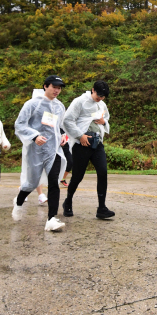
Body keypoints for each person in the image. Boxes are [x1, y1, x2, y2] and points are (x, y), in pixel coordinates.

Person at [13, 75, 68, 232]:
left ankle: (51, 219)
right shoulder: (32, 104)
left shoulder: (60, 106)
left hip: (54, 150)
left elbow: (60, 126)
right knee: (32, 182)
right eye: (54, 87)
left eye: (59, 88)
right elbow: (20, 125)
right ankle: (18, 202)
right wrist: (34, 136)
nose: (57, 90)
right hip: (36, 150)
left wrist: (63, 137)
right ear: (45, 86)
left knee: (53, 182)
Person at [62, 80, 115, 219]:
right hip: (82, 144)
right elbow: (67, 120)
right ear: (93, 90)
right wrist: (80, 136)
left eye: (103, 96)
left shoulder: (102, 104)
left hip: (97, 143)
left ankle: (102, 208)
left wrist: (104, 122)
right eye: (99, 95)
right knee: (78, 176)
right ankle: (68, 202)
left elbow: (106, 118)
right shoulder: (79, 101)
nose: (100, 98)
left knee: (103, 172)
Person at [36, 129, 72, 206]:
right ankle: (37, 193)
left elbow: (61, 125)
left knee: (54, 175)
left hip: (59, 142)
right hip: (43, 141)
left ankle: (52, 212)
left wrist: (62, 135)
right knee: (38, 171)